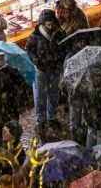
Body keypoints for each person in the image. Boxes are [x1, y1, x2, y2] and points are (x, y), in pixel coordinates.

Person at [25, 9, 66, 139]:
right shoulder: (35, 36)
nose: (50, 26)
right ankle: (40, 122)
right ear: (42, 23)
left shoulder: (60, 34)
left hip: (54, 71)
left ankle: (51, 118)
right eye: (47, 24)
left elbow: (64, 48)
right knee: (39, 98)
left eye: (51, 23)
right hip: (40, 72)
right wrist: (36, 61)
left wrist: (60, 61)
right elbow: (29, 50)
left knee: (53, 96)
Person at [0, 52, 27, 142]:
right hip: (13, 102)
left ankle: (3, 141)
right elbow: (21, 83)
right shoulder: (13, 70)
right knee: (14, 123)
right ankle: (15, 141)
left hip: (0, 105)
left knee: (2, 125)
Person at [65, 36, 88, 145]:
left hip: (85, 89)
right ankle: (76, 138)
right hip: (75, 90)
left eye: (84, 41)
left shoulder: (86, 53)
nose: (82, 43)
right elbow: (68, 75)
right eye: (80, 41)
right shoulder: (70, 56)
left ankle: (83, 137)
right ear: (76, 43)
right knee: (75, 116)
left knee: (84, 114)